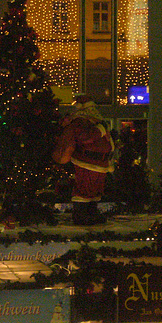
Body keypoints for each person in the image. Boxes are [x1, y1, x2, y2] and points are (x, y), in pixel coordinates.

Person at [52, 94, 114, 226]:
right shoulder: (80, 121)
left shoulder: (93, 121)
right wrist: (100, 130)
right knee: (85, 188)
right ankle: (81, 215)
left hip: (99, 162)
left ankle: (91, 213)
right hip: (87, 161)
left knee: (95, 189)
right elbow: (84, 138)